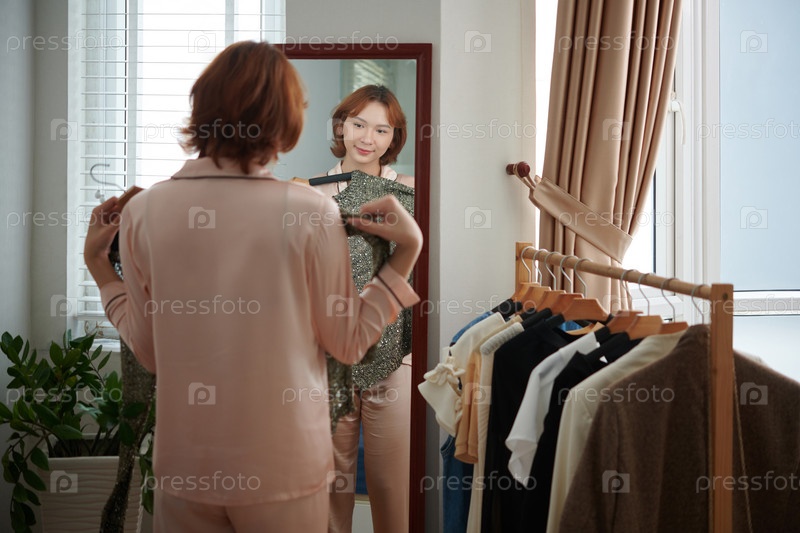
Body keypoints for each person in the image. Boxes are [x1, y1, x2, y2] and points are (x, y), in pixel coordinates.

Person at [82, 42, 422, 533]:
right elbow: (348, 344)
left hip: (185, 470)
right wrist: (406, 252)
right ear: (288, 120)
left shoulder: (143, 210)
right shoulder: (311, 211)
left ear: (201, 107)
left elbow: (149, 352)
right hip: (284, 468)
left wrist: (99, 267)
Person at [313, 85, 414, 533]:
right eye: (358, 124)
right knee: (329, 488)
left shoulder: (412, 193)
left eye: (381, 129)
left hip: (394, 355)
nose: (367, 138)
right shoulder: (309, 196)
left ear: (394, 138)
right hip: (328, 358)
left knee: (393, 487)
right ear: (341, 126)